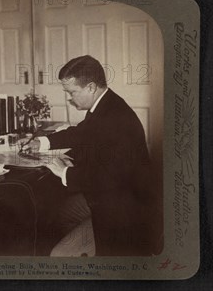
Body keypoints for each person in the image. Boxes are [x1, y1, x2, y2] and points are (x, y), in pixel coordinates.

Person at [16, 55, 160, 256]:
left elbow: (109, 178)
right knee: (63, 213)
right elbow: (83, 132)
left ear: (91, 87)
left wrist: (64, 171)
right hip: (114, 198)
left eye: (72, 92)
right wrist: (41, 142)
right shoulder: (106, 104)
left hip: (123, 214)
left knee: (58, 254)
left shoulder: (115, 117)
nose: (70, 98)